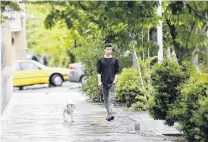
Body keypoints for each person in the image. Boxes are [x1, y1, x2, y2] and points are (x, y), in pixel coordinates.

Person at [96, 43, 119, 121]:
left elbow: (117, 72)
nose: (109, 51)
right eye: (107, 49)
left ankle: (110, 113)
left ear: (111, 50)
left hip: (112, 82)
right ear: (104, 50)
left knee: (111, 99)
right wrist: (99, 82)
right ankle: (109, 114)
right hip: (104, 83)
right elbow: (98, 72)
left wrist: (115, 81)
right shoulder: (101, 60)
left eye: (110, 49)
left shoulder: (115, 60)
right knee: (106, 99)